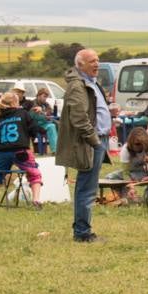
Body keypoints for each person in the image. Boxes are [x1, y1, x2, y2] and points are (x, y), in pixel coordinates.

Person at [57, 48, 112, 243]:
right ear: (80, 65)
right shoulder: (77, 86)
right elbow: (79, 118)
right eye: (91, 61)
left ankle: (83, 230)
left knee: (89, 186)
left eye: (97, 60)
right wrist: (94, 140)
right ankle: (82, 233)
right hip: (90, 142)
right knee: (86, 188)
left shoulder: (90, 82)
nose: (97, 64)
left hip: (99, 139)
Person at [0, 91, 43, 209]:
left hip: (1, 152)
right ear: (15, 103)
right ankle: (36, 201)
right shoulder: (23, 113)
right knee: (34, 174)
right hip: (20, 151)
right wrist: (36, 133)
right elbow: (33, 129)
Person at [104, 126, 148, 203]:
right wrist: (130, 185)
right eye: (136, 144)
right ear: (131, 142)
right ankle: (123, 195)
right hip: (132, 173)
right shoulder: (125, 149)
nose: (139, 146)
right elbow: (125, 172)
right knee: (109, 177)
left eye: (141, 144)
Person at [28, 88, 59, 154]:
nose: (45, 98)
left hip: (44, 123)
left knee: (59, 125)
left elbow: (50, 112)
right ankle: (55, 150)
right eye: (44, 96)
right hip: (35, 125)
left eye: (46, 97)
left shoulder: (46, 104)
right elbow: (36, 117)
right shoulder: (32, 103)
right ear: (38, 95)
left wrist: (44, 113)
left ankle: (61, 148)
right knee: (52, 126)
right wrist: (45, 115)